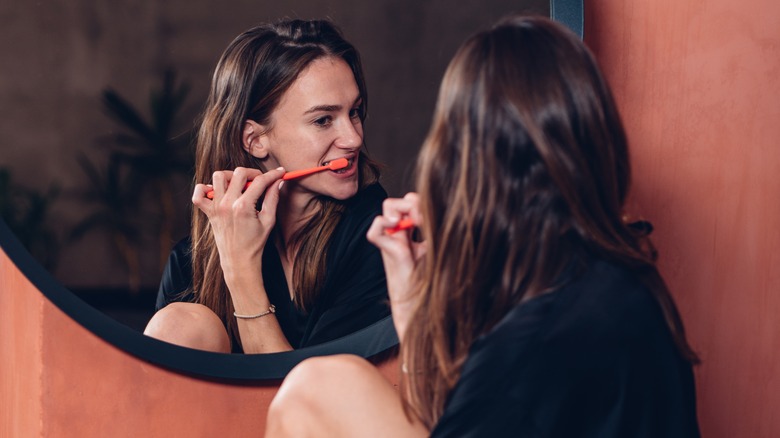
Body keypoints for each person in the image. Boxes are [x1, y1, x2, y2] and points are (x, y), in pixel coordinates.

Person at [265, 15, 701, 437]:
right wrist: (411, 308)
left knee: (315, 389)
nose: (353, 139)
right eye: (324, 119)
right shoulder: (615, 282)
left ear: (467, 156)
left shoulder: (543, 329)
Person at [143, 19, 391, 354]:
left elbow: (313, 401)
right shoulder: (189, 262)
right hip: (216, 408)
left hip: (315, 407)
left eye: (355, 112)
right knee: (180, 324)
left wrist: (241, 270)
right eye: (323, 120)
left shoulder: (376, 233)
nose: (353, 138)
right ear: (256, 140)